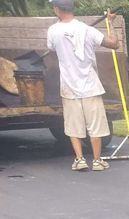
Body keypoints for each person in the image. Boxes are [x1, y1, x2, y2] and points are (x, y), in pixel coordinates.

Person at [47, 0, 119, 172]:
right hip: (90, 86)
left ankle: (79, 159)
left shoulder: (53, 31)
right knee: (95, 126)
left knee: (73, 125)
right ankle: (97, 161)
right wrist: (110, 23)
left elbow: (51, 48)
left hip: (69, 87)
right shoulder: (88, 30)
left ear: (57, 9)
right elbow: (114, 44)